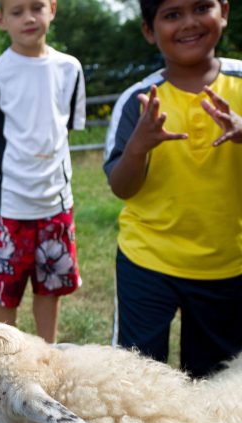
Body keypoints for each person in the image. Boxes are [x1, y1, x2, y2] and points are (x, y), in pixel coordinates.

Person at [103, 0, 242, 378]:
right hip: (148, 261)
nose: (189, 23)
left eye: (201, 7)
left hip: (226, 265)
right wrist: (138, 145)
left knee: (215, 383)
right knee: (138, 379)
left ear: (224, 12)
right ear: (149, 30)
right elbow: (121, 187)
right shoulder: (139, 100)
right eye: (172, 14)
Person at [0, 0, 86, 344]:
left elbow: (64, 133)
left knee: (50, 289)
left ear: (53, 9)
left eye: (37, 7)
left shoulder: (71, 69)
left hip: (55, 204)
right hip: (6, 207)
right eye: (17, 12)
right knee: (4, 295)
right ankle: (6, 372)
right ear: (1, 20)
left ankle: (46, 357)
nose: (29, 18)